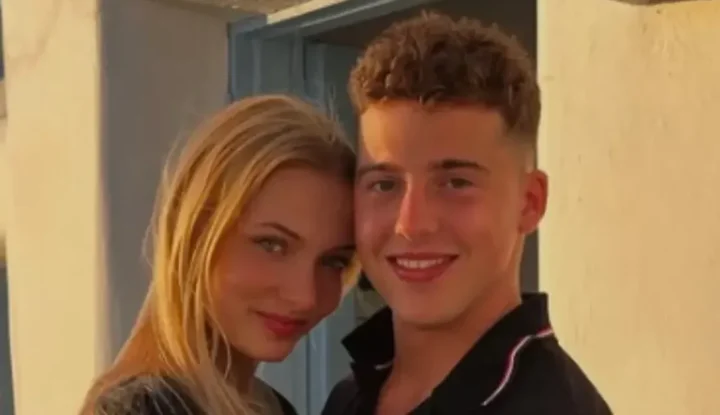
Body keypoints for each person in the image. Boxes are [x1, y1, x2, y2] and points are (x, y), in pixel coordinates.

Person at [322, 12, 612, 415]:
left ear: (529, 202)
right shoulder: (348, 399)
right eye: (385, 184)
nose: (411, 224)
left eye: (455, 183)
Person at [81, 94, 359, 415]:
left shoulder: (267, 406)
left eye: (333, 261)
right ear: (196, 232)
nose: (305, 297)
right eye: (271, 244)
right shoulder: (144, 410)